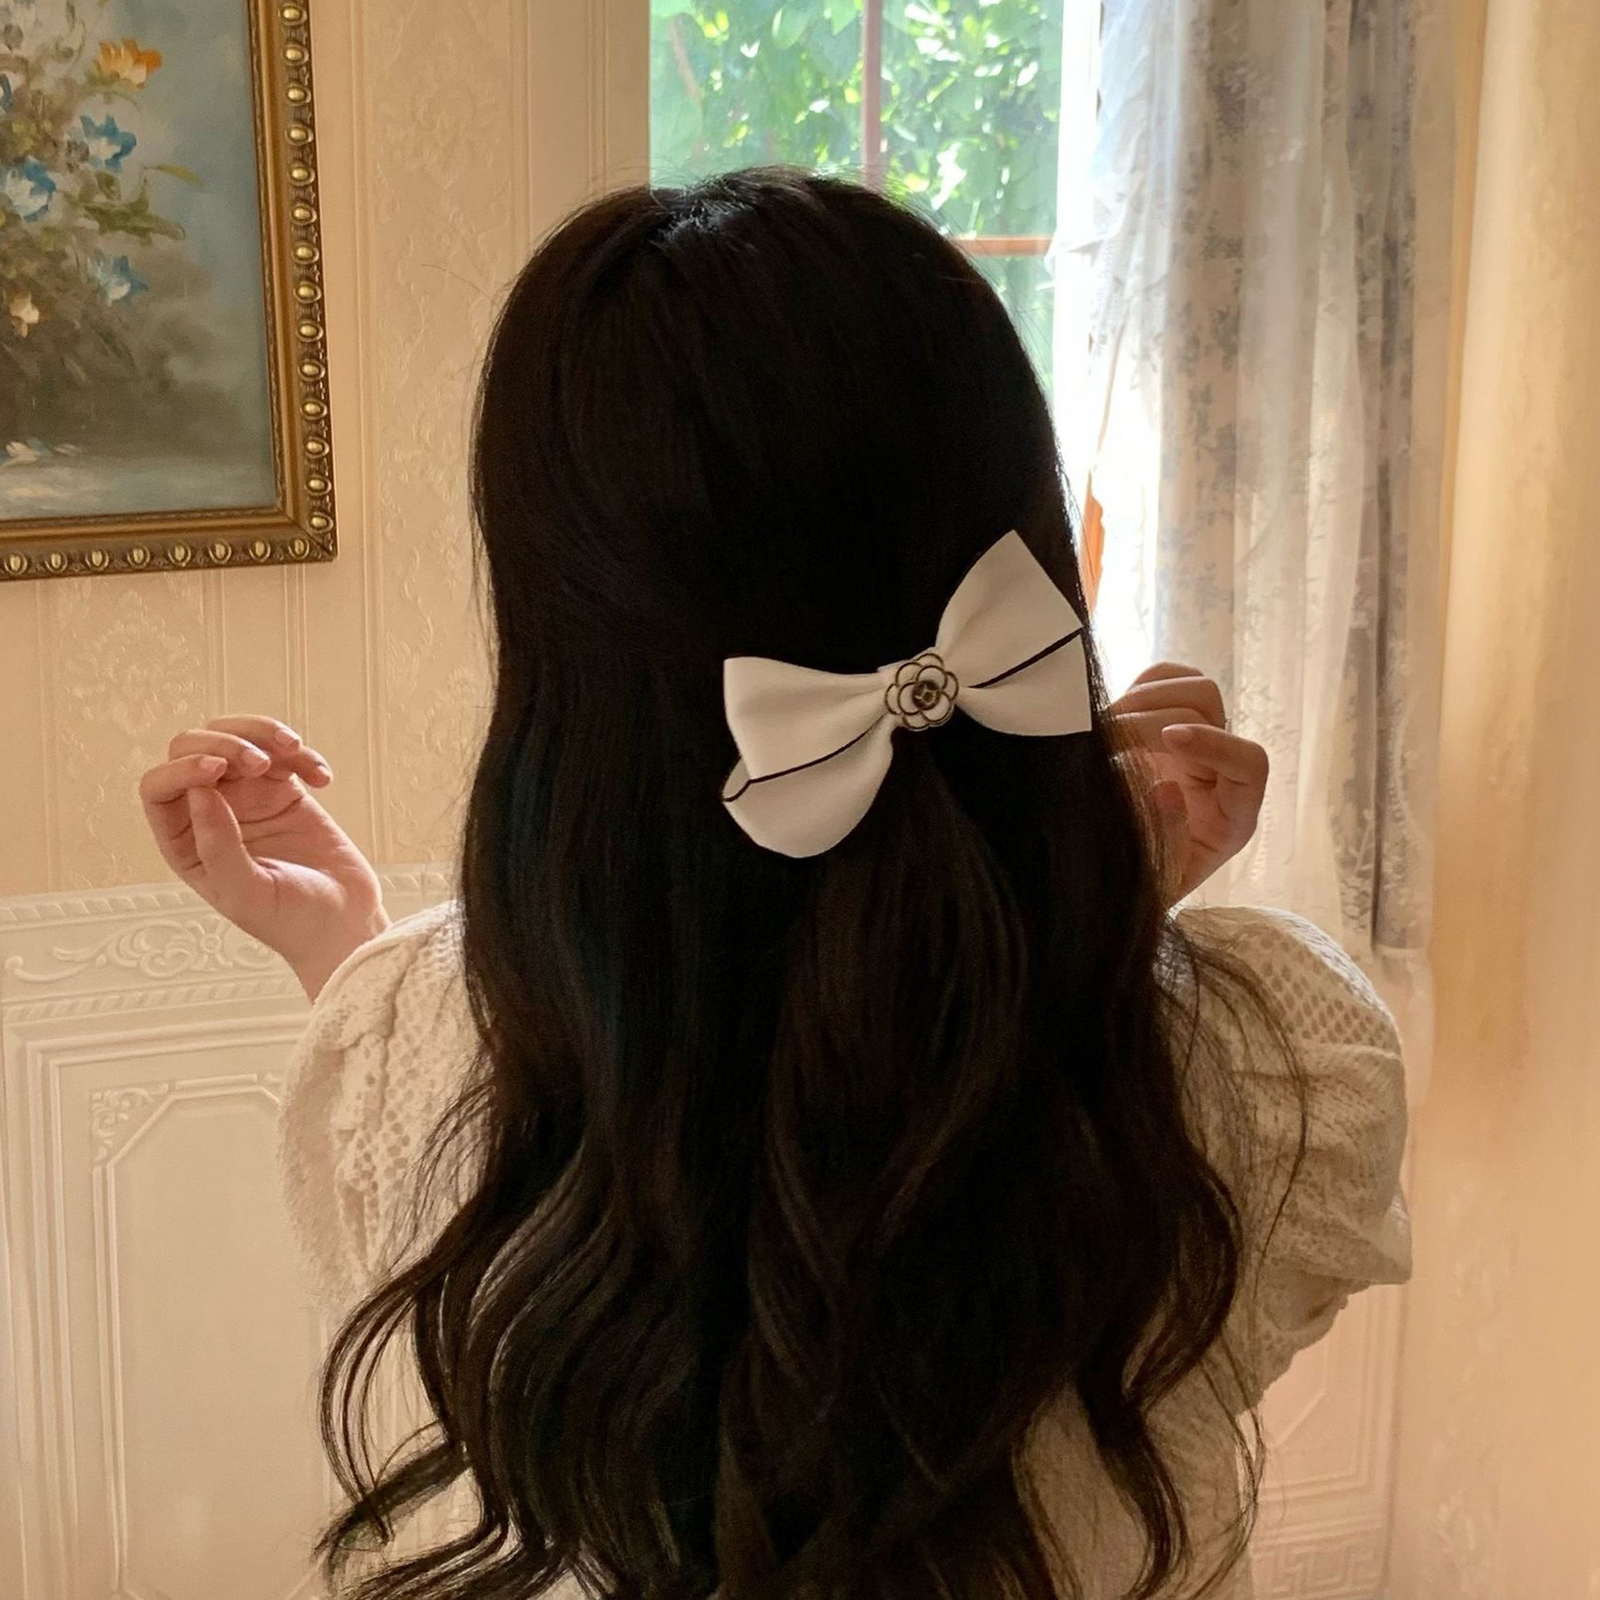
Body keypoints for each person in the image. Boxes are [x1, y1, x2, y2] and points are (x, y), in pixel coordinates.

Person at [136, 170, 1410, 1600]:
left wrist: (350, 958)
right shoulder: (1280, 1055)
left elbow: (469, 1143)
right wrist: (1097, 926)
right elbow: (1188, 1341)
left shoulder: (414, 1053)